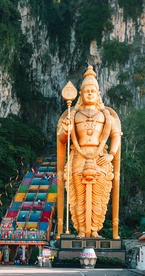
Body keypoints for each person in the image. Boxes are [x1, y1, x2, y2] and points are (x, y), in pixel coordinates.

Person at [57, 66, 122, 239]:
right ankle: (80, 230)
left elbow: (116, 136)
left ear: (98, 93)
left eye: (93, 91)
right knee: (79, 196)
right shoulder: (75, 114)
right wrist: (66, 129)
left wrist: (112, 154)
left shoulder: (105, 115)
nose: (90, 94)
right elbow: (63, 139)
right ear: (81, 94)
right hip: (78, 156)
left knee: (98, 196)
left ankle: (94, 229)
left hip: (100, 157)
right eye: (87, 91)